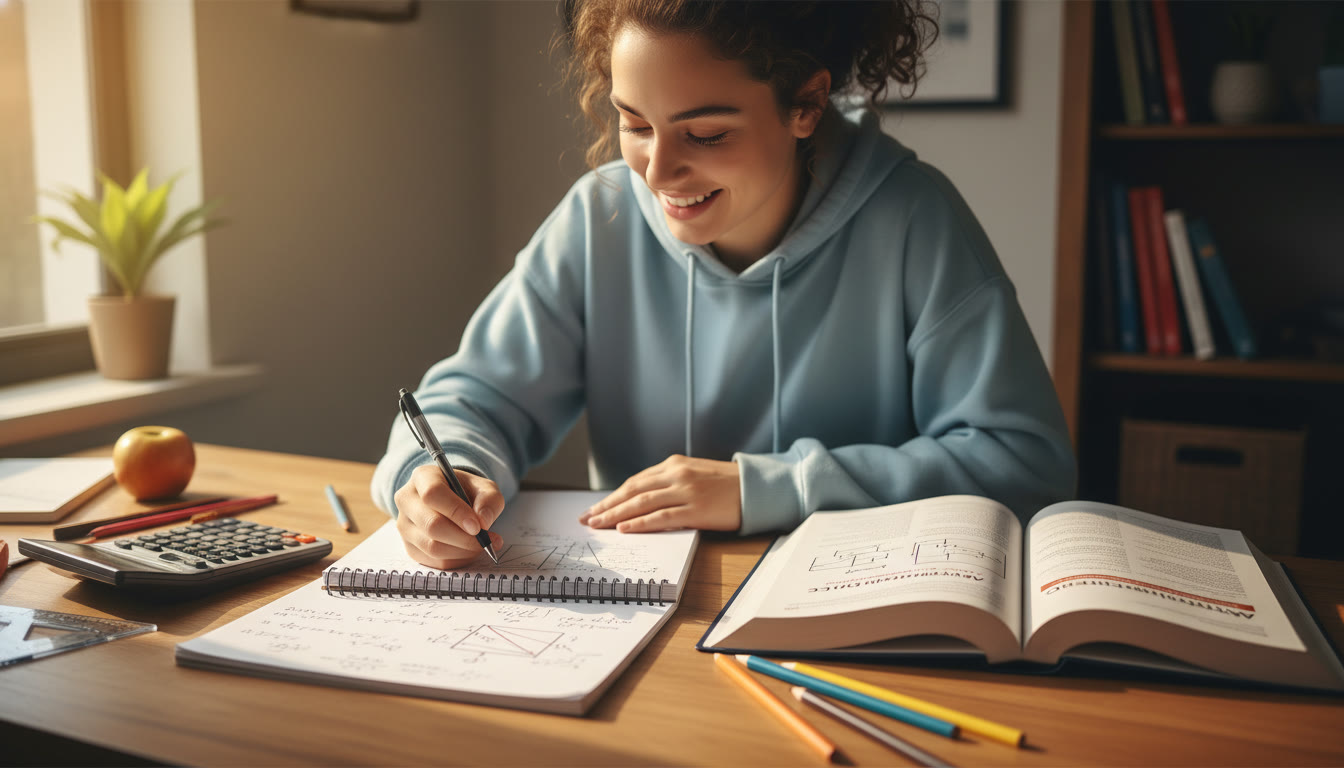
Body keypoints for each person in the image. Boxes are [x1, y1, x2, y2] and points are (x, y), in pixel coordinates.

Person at [372, 0, 1076, 571]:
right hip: (643, 623)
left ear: (805, 105)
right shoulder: (599, 217)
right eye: (635, 124)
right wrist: (438, 478)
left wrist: (759, 490)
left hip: (852, 622)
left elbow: (1024, 463)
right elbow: (472, 400)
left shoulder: (915, 219)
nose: (657, 173)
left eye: (705, 134)